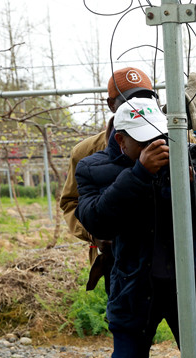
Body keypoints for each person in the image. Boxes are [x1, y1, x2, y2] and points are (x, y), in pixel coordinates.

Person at [75, 96, 196, 358]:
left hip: (192, 284)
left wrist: (192, 181)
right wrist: (138, 173)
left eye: (160, 135)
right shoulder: (94, 169)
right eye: (145, 140)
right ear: (121, 140)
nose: (157, 145)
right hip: (134, 287)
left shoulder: (187, 157)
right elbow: (95, 219)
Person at [60, 67, 157, 293]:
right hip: (118, 259)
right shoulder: (86, 153)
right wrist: (94, 233)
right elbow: (70, 203)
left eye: (145, 98)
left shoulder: (172, 138)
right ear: (111, 105)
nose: (138, 107)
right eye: (129, 101)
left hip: (167, 256)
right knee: (128, 322)